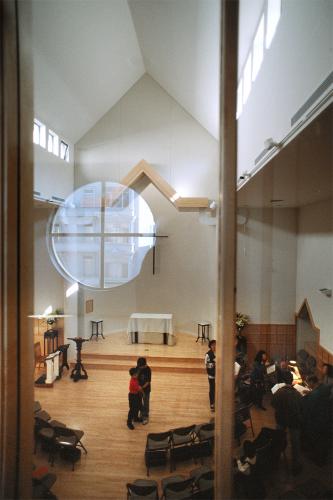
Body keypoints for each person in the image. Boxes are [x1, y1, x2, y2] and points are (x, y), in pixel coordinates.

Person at [271, 370, 303, 475]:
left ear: (283, 381)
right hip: (294, 421)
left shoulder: (279, 392)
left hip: (281, 419)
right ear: (292, 381)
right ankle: (296, 466)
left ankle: (275, 460)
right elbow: (301, 407)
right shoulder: (297, 394)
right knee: (295, 444)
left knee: (278, 438)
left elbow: (273, 404)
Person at [301, 374, 332, 465]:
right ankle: (322, 457)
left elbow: (308, 409)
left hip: (317, 420)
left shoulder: (314, 395)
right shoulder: (324, 387)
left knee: (317, 440)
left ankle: (319, 460)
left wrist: (308, 397)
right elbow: (321, 394)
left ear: (312, 382)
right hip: (326, 416)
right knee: (323, 440)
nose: (307, 384)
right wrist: (310, 392)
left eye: (308, 382)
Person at [137, 357, 151, 425]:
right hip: (138, 388)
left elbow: (148, 381)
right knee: (139, 402)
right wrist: (138, 386)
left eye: (141, 366)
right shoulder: (138, 367)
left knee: (146, 402)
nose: (140, 367)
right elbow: (135, 377)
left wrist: (141, 387)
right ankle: (141, 414)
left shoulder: (148, 369)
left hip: (146, 389)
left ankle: (145, 416)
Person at [205, 340, 216, 411]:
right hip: (212, 375)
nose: (214, 346)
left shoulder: (219, 352)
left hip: (219, 375)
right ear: (210, 346)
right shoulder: (208, 354)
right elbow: (208, 366)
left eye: (215, 345)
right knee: (212, 389)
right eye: (213, 345)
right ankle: (212, 404)